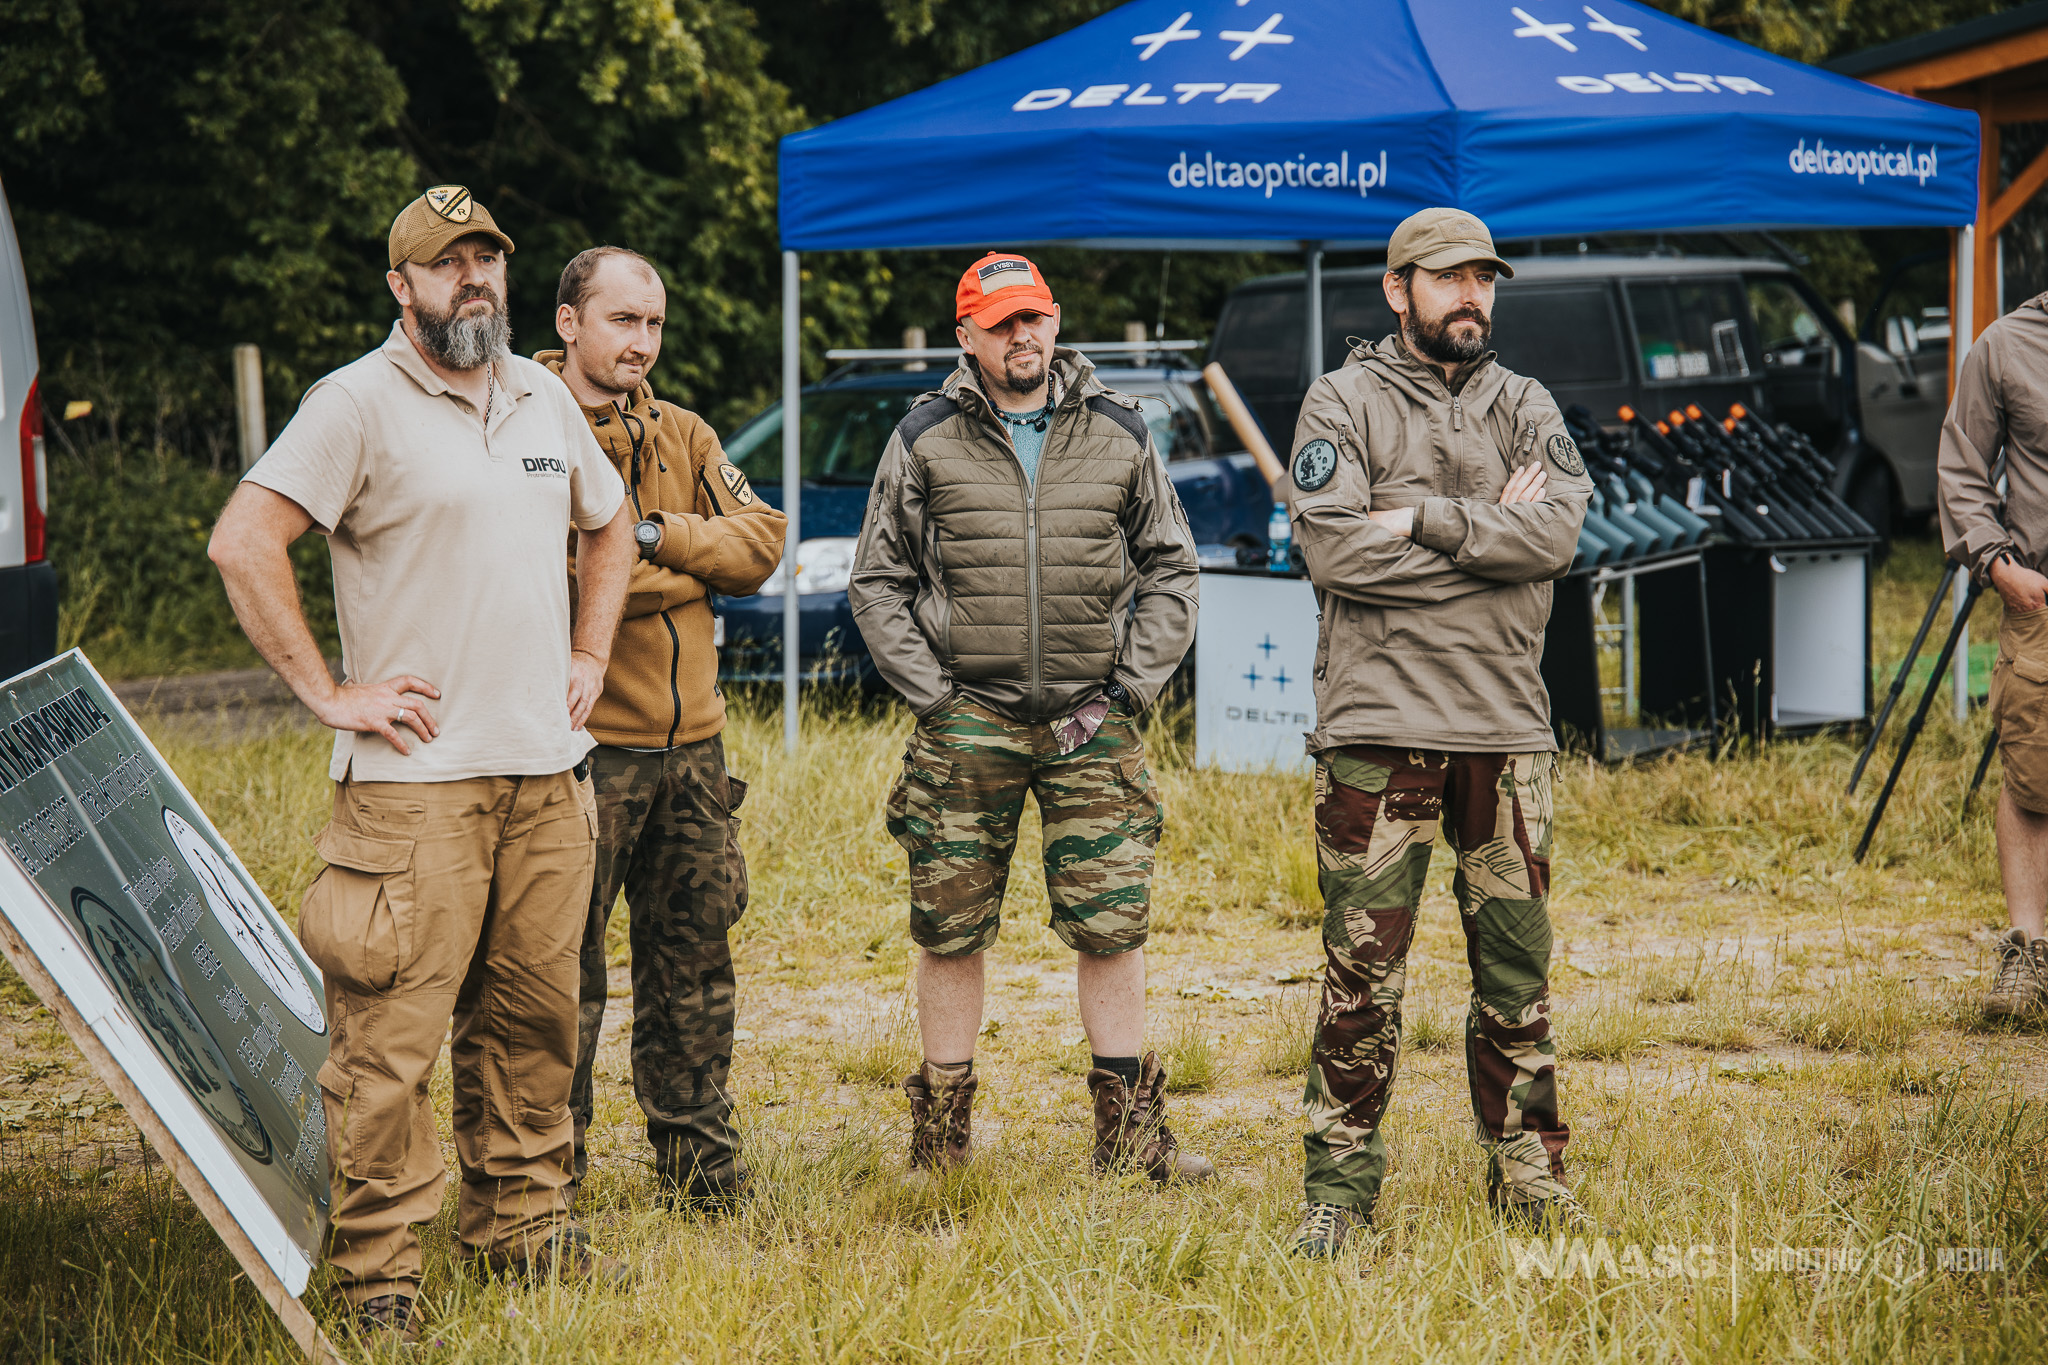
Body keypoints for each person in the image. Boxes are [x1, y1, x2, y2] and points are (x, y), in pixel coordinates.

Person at [208, 186, 636, 1344]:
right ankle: (380, 1274)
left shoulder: (543, 392)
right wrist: (326, 693)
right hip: (413, 794)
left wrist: (590, 650)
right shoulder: (353, 403)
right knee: (388, 1048)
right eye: (447, 266)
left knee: (535, 1020)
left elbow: (610, 521)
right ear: (400, 286)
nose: (474, 281)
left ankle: (521, 1229)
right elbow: (244, 540)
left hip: (547, 777)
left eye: (487, 260)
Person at [848, 253, 1209, 1182]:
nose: (1023, 337)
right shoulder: (925, 437)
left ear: (1055, 320)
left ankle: (1130, 1141)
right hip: (968, 724)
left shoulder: (1120, 431)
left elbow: (1172, 567)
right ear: (966, 336)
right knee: (949, 926)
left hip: (1095, 723)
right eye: (1002, 323)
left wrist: (1129, 690)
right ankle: (941, 1146)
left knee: (1112, 923)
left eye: (1035, 318)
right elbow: (877, 581)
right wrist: (935, 697)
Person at [1280, 208, 1593, 1258]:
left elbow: (1553, 535)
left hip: (1505, 734)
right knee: (1360, 980)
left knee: (1515, 976)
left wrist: (1419, 516)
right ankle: (1338, 1192)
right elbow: (1334, 556)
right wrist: (1484, 551)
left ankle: (1528, 1173)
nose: (1472, 297)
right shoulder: (1341, 400)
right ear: (1396, 288)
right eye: (1448, 278)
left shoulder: (1524, 403)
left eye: (1484, 280)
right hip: (1377, 730)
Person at [537, 246, 787, 1209]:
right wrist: (692, 562)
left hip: (696, 755)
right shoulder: (530, 429)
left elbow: (760, 542)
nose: (641, 342)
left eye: (652, 324)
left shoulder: (682, 431)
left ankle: (702, 1172)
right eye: (621, 322)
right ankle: (553, 1173)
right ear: (569, 322)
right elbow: (561, 579)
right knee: (565, 974)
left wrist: (649, 535)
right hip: (586, 752)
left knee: (694, 969)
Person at [1939, 290, 2048, 1019]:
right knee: (2031, 766)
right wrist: (2001, 568)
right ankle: (2026, 952)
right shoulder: (2005, 346)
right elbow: (1961, 469)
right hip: (2040, 602)